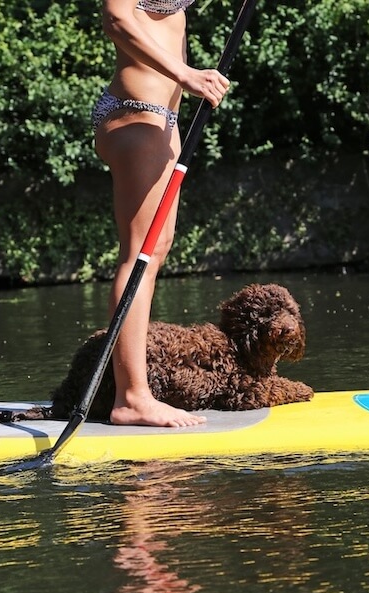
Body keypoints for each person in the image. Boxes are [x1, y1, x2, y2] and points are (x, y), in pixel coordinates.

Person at [92, 0, 230, 427]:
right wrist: (186, 74)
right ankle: (132, 397)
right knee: (140, 255)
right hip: (137, 114)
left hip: (164, 123)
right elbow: (117, 19)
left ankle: (131, 392)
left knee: (155, 251)